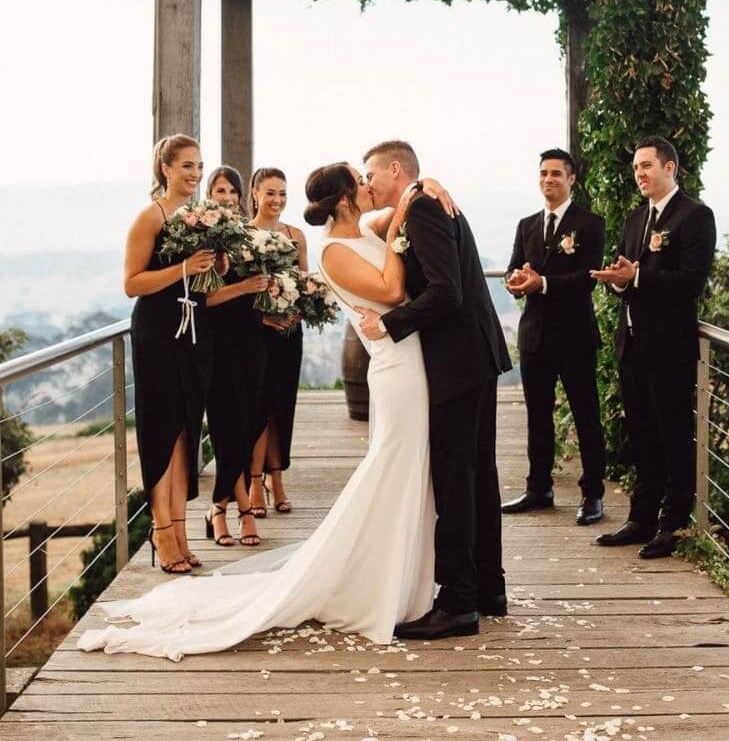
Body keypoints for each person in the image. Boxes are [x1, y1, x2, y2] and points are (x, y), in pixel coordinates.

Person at [76, 164, 452, 657]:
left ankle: (403, 576)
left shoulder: (363, 228)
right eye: (359, 181)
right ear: (344, 198)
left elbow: (400, 206)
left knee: (408, 467)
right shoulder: (334, 250)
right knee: (391, 465)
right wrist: (400, 222)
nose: (368, 186)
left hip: (409, 361)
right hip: (394, 368)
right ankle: (371, 578)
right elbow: (392, 290)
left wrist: (425, 187)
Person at [358, 140, 512, 641]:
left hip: (458, 362)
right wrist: (419, 188)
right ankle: (489, 588)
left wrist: (389, 323)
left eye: (371, 174)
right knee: (478, 475)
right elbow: (371, 222)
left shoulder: (424, 208)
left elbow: (447, 292)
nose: (367, 184)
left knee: (456, 480)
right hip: (474, 355)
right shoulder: (421, 201)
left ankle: (459, 603)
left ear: (395, 169)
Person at [591, 136, 716, 558]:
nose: (639, 174)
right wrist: (619, 281)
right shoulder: (634, 219)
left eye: (646, 165)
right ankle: (641, 518)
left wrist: (638, 277)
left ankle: (673, 524)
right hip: (632, 345)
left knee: (673, 436)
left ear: (669, 168)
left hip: (669, 348)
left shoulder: (695, 216)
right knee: (641, 435)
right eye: (635, 168)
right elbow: (626, 276)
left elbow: (691, 282)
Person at [124, 134, 216, 575]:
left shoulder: (202, 218)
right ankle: (161, 530)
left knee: (185, 429)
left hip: (194, 332)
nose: (195, 174)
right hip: (158, 334)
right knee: (161, 429)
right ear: (166, 169)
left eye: (199, 166)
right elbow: (132, 283)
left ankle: (180, 529)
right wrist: (182, 268)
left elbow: (203, 285)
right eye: (186, 166)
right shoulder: (150, 217)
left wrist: (214, 269)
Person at [502, 148, 607, 525]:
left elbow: (587, 279)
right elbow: (513, 269)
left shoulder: (590, 224)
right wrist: (516, 280)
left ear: (571, 179)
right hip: (535, 336)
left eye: (556, 174)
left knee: (586, 415)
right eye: (543, 173)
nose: (548, 179)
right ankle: (538, 489)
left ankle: (593, 494)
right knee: (538, 417)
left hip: (575, 336)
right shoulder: (527, 224)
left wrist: (542, 283)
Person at [204, 166, 266, 548]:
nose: (227, 197)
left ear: (241, 198)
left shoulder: (248, 237)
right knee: (227, 427)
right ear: (209, 195)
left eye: (232, 191)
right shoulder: (202, 237)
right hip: (216, 344)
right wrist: (244, 286)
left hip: (251, 341)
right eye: (220, 190)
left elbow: (260, 288)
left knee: (246, 425)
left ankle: (219, 508)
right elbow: (205, 299)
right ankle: (238, 510)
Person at [247, 167, 307, 516]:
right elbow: (237, 295)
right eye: (270, 193)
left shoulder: (296, 235)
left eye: (282, 193)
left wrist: (300, 310)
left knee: (282, 408)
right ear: (255, 194)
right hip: (255, 335)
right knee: (258, 409)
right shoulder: (242, 236)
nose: (277, 200)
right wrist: (263, 317)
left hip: (288, 335)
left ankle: (277, 479)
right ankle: (255, 483)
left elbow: (303, 283)